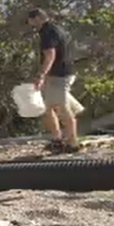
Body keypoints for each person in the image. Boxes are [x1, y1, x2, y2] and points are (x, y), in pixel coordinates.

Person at [26, 8, 82, 154]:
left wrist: (41, 75)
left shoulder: (47, 32)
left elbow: (50, 55)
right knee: (47, 107)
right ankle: (57, 140)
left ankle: (72, 142)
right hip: (59, 74)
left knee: (62, 109)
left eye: (31, 20)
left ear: (37, 18)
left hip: (60, 75)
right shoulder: (56, 29)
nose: (31, 24)